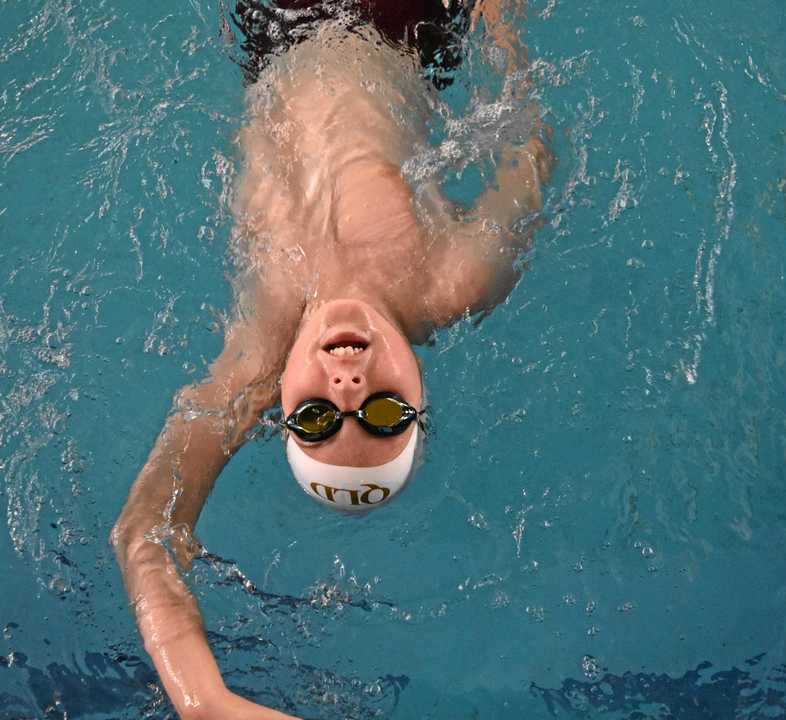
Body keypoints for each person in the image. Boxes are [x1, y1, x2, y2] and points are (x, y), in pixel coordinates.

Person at [110, 0, 550, 717]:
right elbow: (530, 149)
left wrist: (204, 700)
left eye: (316, 417)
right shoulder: (453, 281)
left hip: (276, 28)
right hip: (406, 25)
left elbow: (143, 533)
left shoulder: (257, 350)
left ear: (278, 404)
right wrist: (501, 27)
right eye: (381, 412)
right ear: (419, 389)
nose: (347, 384)